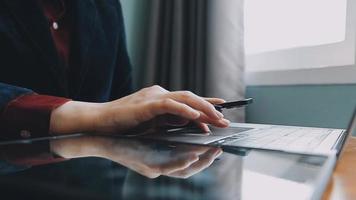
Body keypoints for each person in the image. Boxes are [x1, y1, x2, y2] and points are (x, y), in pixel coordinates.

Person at [0, 0, 229, 177]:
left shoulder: (105, 5)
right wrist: (96, 115)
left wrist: (148, 120)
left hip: (94, 184)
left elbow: (121, 98)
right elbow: (111, 111)